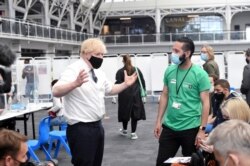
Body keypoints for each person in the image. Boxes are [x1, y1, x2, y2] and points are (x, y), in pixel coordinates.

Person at [52, 38, 137, 166]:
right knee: (84, 163)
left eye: (102, 54)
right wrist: (75, 83)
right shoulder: (74, 69)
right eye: (97, 54)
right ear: (86, 53)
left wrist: (125, 84)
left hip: (97, 126)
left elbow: (111, 89)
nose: (101, 58)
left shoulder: (98, 72)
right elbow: (56, 91)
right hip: (80, 129)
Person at [154, 37, 210, 166]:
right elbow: (164, 95)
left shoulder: (200, 74)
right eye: (172, 50)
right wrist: (158, 121)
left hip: (191, 128)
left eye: (176, 51)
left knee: (192, 163)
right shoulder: (169, 70)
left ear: (187, 53)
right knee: (161, 163)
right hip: (169, 127)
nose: (172, 54)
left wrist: (202, 129)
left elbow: (206, 103)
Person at [115, 54, 146, 140]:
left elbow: (118, 84)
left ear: (123, 61)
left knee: (125, 112)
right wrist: (144, 93)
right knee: (134, 113)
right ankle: (133, 133)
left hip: (124, 95)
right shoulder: (136, 70)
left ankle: (124, 130)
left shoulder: (120, 71)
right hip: (136, 95)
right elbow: (142, 81)